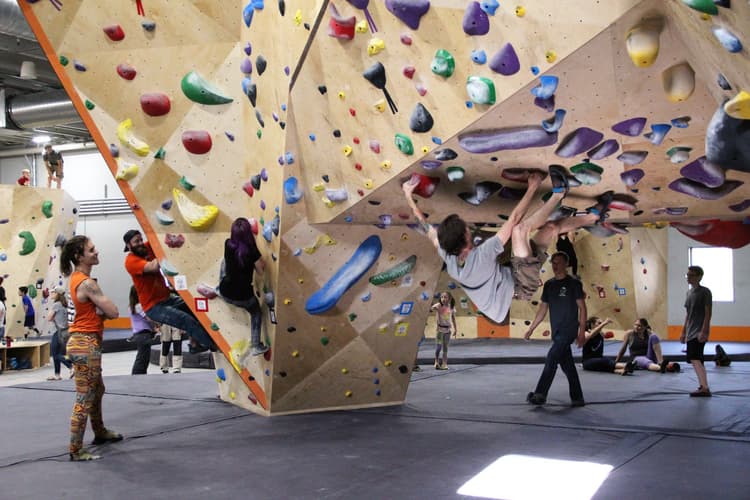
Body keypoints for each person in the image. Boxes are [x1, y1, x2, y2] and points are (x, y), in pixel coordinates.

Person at [402, 166, 609, 323]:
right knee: (519, 230)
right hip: (521, 285)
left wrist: (408, 195)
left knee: (551, 228)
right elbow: (514, 219)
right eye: (466, 229)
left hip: (510, 274)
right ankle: (558, 193)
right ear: (465, 240)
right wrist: (533, 185)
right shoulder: (481, 255)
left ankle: (592, 217)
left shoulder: (448, 254)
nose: (468, 228)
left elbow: (427, 227)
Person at [60, 235, 122, 461]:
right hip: (85, 343)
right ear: (79, 256)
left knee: (97, 390)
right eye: (91, 249)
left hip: (83, 342)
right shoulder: (87, 283)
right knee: (85, 396)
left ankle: (100, 431)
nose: (96, 252)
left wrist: (99, 312)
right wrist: (102, 312)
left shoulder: (76, 279)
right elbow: (114, 312)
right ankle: (76, 450)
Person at [123, 229, 214, 353]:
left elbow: (159, 239)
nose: (140, 243)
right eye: (136, 242)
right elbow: (153, 267)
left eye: (140, 239)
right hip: (153, 306)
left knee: (193, 306)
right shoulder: (130, 261)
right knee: (185, 319)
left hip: (166, 298)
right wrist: (163, 250)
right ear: (129, 245)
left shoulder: (145, 248)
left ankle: (194, 344)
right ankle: (215, 345)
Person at [523, 252, 587, 407]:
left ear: (566, 264)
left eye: (558, 262)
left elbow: (582, 308)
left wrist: (581, 332)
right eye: (553, 262)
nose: (555, 265)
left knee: (551, 359)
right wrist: (531, 328)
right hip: (557, 331)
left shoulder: (574, 284)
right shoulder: (549, 285)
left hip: (568, 330)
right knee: (568, 366)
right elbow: (543, 309)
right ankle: (578, 398)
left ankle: (540, 394)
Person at [216, 217, 269, 356]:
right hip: (243, 296)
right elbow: (260, 271)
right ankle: (256, 345)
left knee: (224, 263)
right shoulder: (252, 251)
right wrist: (259, 261)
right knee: (256, 313)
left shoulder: (228, 243)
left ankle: (217, 288)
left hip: (225, 291)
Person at [682, 266, 712, 397]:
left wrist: (704, 331)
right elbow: (688, 314)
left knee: (695, 358)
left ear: (699, 277)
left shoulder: (705, 292)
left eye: (691, 275)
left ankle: (704, 387)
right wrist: (683, 331)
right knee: (697, 359)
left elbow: (708, 313)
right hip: (690, 331)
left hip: (698, 331)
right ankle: (703, 385)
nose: (688, 277)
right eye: (687, 275)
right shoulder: (688, 293)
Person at [127, 286, 158, 375]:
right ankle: (137, 375)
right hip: (143, 334)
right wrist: (157, 324)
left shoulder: (131, 306)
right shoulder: (139, 306)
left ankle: (139, 375)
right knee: (142, 358)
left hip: (138, 334)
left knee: (142, 357)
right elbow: (149, 318)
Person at [46, 286, 73, 380]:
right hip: (65, 331)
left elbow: (49, 318)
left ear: (57, 294)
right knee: (59, 353)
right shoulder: (65, 304)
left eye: (53, 292)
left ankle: (71, 367)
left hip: (57, 332)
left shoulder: (56, 305)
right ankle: (57, 374)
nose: (51, 294)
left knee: (56, 354)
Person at [431, 292, 457, 370]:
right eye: (442, 297)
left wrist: (456, 329)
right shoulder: (438, 305)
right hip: (440, 330)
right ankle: (436, 361)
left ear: (449, 299)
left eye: (445, 297)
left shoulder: (451, 307)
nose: (443, 299)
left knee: (445, 348)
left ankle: (444, 363)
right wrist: (431, 307)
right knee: (438, 347)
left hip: (448, 331)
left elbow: (453, 318)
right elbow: (431, 308)